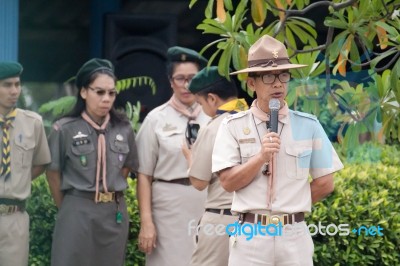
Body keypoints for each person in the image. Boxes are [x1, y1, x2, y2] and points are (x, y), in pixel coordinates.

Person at [212, 35, 344, 265]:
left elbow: (326, 183)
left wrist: (290, 208)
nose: (277, 83)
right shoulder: (232, 126)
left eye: (283, 75)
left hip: (295, 234)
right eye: (268, 76)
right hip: (250, 234)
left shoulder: (309, 125)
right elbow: (228, 182)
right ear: (251, 83)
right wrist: (261, 157)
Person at [46, 58, 139, 266]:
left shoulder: (123, 128)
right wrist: (69, 206)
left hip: (113, 212)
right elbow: (53, 174)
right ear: (83, 92)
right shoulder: (64, 129)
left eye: (111, 93)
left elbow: (125, 168)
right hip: (77, 208)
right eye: (99, 92)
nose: (106, 99)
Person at [136, 46, 210, 266]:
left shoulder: (215, 117)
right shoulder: (155, 119)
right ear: (170, 81)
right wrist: (146, 222)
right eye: (180, 78)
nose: (186, 85)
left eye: (193, 78)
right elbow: (144, 175)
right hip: (168, 208)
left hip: (208, 205)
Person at [184, 66, 249, 266]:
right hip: (256, 223)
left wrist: (189, 155)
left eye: (200, 103)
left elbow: (199, 181)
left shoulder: (214, 127)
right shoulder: (256, 120)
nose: (202, 109)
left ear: (212, 99)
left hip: (222, 221)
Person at [0, 61, 51, 266]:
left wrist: (19, 180)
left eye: (17, 84)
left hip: (15, 218)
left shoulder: (33, 123)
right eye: (7, 85)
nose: (14, 91)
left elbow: (42, 163)